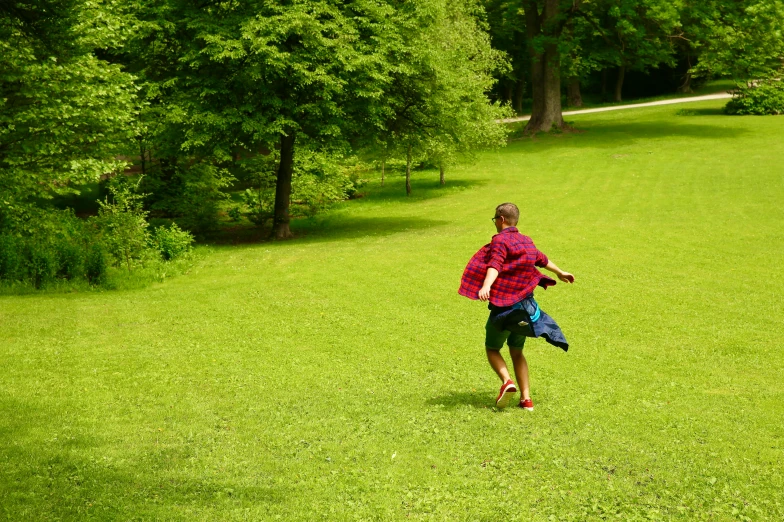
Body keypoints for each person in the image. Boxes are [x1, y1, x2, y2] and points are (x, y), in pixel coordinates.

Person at [458, 202, 575, 410]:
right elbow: (542, 259)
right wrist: (560, 272)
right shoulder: (526, 241)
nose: (495, 223)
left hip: (505, 309)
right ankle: (527, 400)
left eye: (495, 219)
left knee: (492, 348)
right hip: (526, 309)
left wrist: (486, 285)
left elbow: (495, 264)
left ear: (501, 219)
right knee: (517, 351)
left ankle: (507, 381)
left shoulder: (500, 241)